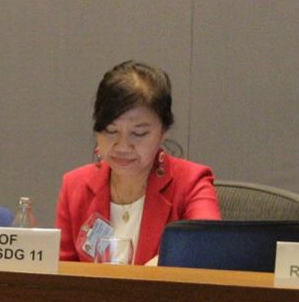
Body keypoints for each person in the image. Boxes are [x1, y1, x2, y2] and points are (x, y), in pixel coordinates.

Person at [55, 60, 217, 264]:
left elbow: (208, 247)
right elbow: (62, 272)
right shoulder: (75, 186)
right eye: (111, 131)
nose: (123, 146)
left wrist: (159, 267)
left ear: (163, 132)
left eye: (138, 133)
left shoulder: (191, 182)